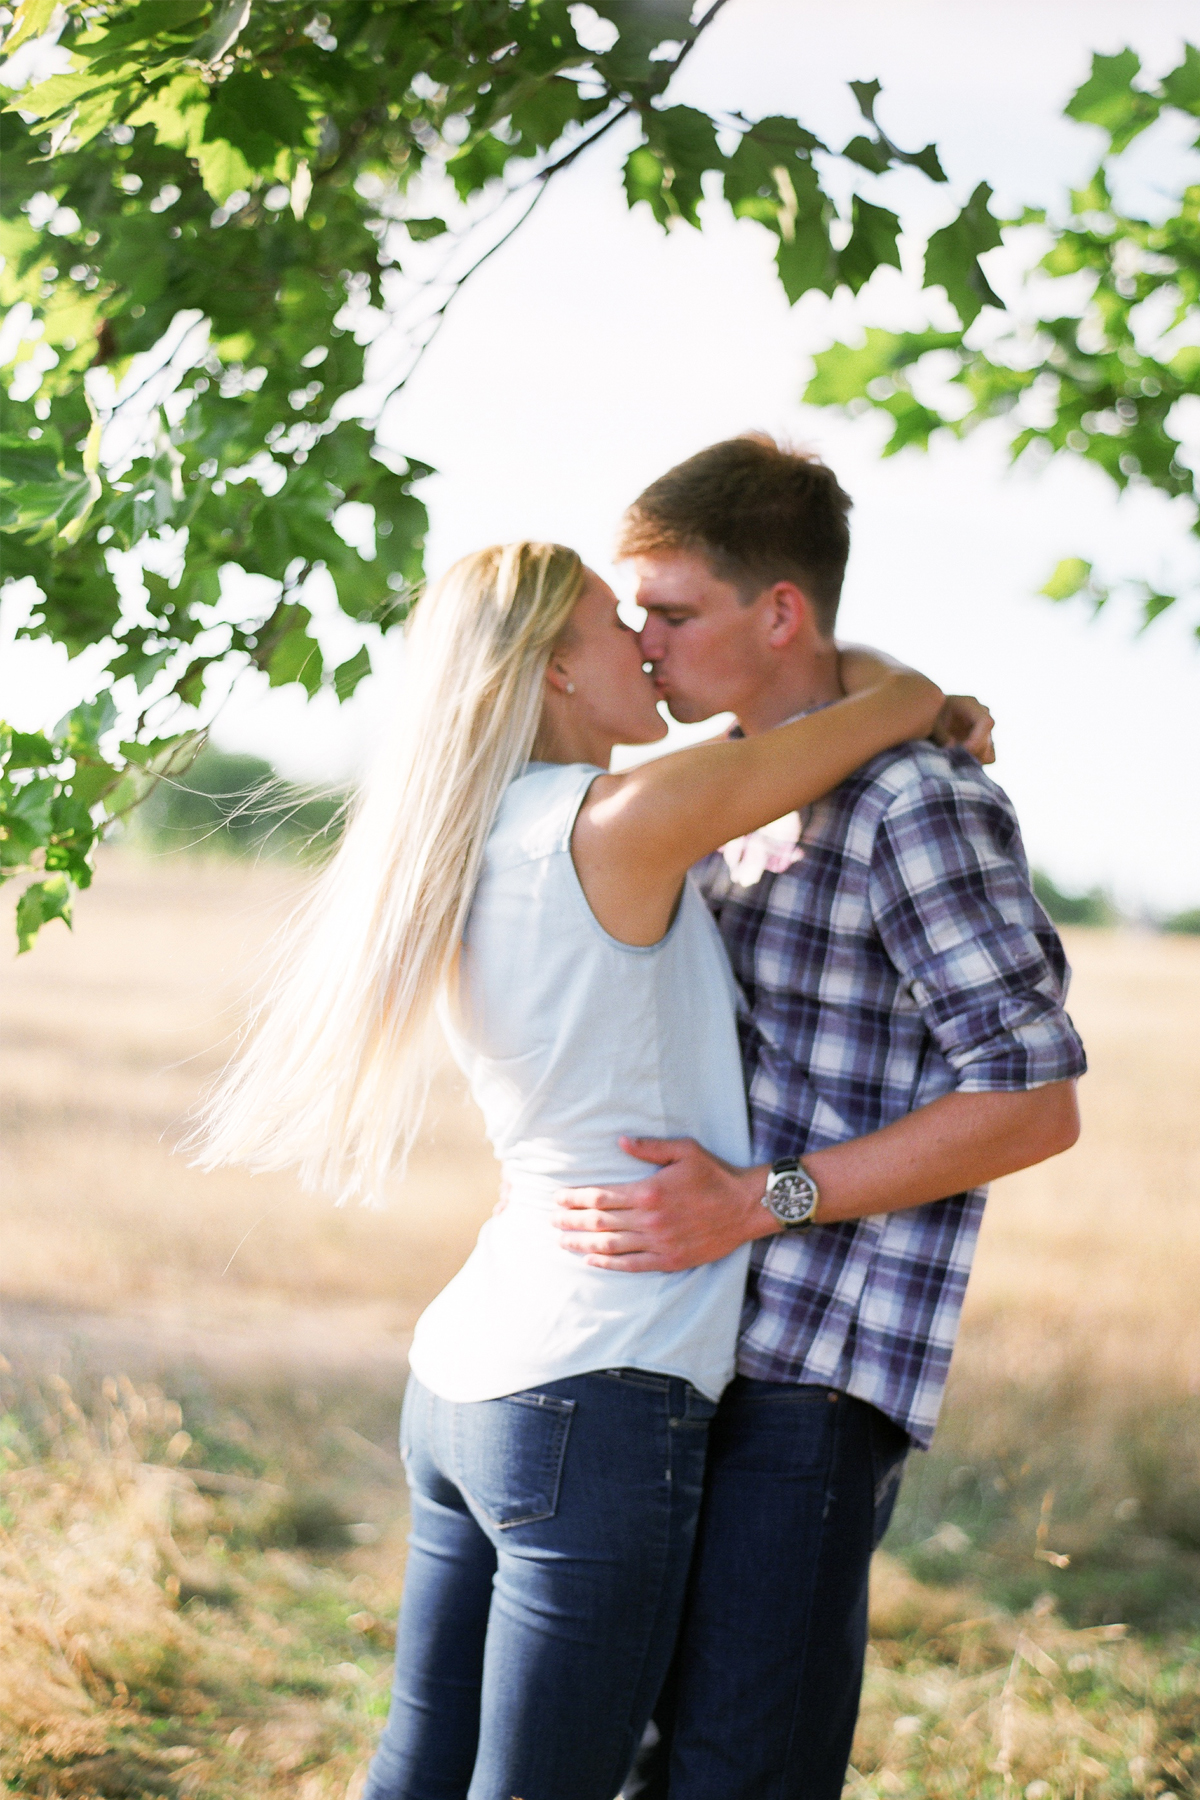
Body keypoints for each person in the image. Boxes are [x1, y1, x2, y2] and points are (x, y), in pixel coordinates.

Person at [192, 541, 981, 1798]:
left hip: (467, 1376)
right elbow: (874, 710)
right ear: (559, 665)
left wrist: (908, 703)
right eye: (624, 624)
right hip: (597, 1389)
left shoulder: (462, 838)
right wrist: (925, 700)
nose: (651, 652)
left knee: (420, 1765)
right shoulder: (622, 821)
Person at [523, 436, 1087, 1800]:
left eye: (672, 611)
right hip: (679, 1345)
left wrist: (756, 1197)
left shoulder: (919, 805)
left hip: (814, 1374)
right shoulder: (713, 798)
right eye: (633, 613)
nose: (642, 643)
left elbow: (1034, 1100)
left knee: (742, 1767)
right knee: (642, 1756)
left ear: (780, 613)